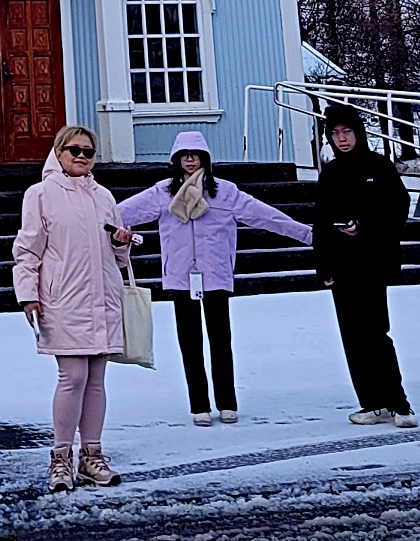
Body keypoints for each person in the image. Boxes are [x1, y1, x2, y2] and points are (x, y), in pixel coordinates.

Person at [113, 130, 313, 426]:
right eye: (184, 155)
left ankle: (227, 402)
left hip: (216, 275)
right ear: (176, 160)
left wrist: (308, 234)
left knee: (221, 340)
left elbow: (267, 216)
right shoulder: (163, 193)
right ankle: (199, 405)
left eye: (195, 154)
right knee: (189, 342)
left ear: (205, 158)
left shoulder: (225, 192)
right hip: (181, 277)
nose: (190, 160)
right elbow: (119, 214)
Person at [13, 124, 135, 491]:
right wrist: (28, 294)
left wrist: (121, 241)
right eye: (74, 150)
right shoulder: (41, 195)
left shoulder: (104, 196)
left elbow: (117, 254)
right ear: (59, 153)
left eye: (88, 151)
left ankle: (92, 455)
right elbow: (28, 249)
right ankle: (61, 457)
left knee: (96, 380)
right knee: (73, 377)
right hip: (63, 299)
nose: (81, 157)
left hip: (103, 297)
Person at [311, 103, 418, 428]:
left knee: (376, 333)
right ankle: (371, 402)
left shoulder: (379, 166)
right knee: (352, 337)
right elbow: (320, 221)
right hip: (341, 265)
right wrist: (324, 267)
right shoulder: (330, 172)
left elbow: (398, 207)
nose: (341, 139)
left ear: (358, 133)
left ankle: (399, 403)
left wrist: (365, 226)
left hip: (372, 262)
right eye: (335, 134)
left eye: (347, 132)